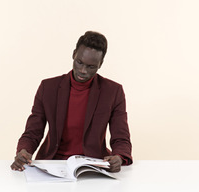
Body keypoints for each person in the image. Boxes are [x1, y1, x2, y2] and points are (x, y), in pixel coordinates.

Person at [11, 31, 132, 173]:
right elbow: (33, 132)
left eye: (91, 66)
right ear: (74, 54)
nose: (82, 70)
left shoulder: (113, 91)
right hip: (53, 163)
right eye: (79, 62)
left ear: (101, 63)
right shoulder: (48, 88)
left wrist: (119, 157)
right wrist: (24, 151)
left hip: (93, 165)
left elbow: (121, 138)